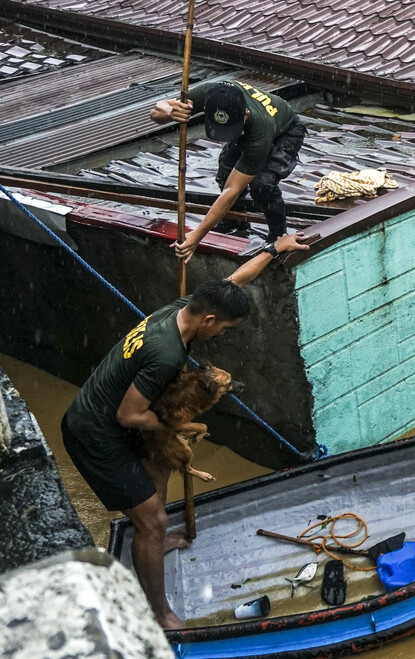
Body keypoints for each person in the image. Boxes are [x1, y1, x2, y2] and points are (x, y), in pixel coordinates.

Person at [60, 233, 310, 629]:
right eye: (225, 329)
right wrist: (179, 425)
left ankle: (151, 543)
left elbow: (235, 283)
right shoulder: (167, 353)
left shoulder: (182, 310)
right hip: (95, 432)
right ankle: (161, 614)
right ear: (208, 320)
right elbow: (130, 415)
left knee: (159, 470)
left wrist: (275, 249)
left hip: (111, 414)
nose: (223, 336)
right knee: (153, 520)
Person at [149, 79, 306, 262]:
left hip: (286, 132)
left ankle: (279, 235)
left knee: (262, 184)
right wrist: (170, 111)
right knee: (225, 171)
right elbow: (155, 112)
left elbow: (232, 189)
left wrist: (197, 236)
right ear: (207, 109)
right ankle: (235, 219)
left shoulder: (260, 130)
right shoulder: (211, 93)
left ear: (245, 114)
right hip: (247, 128)